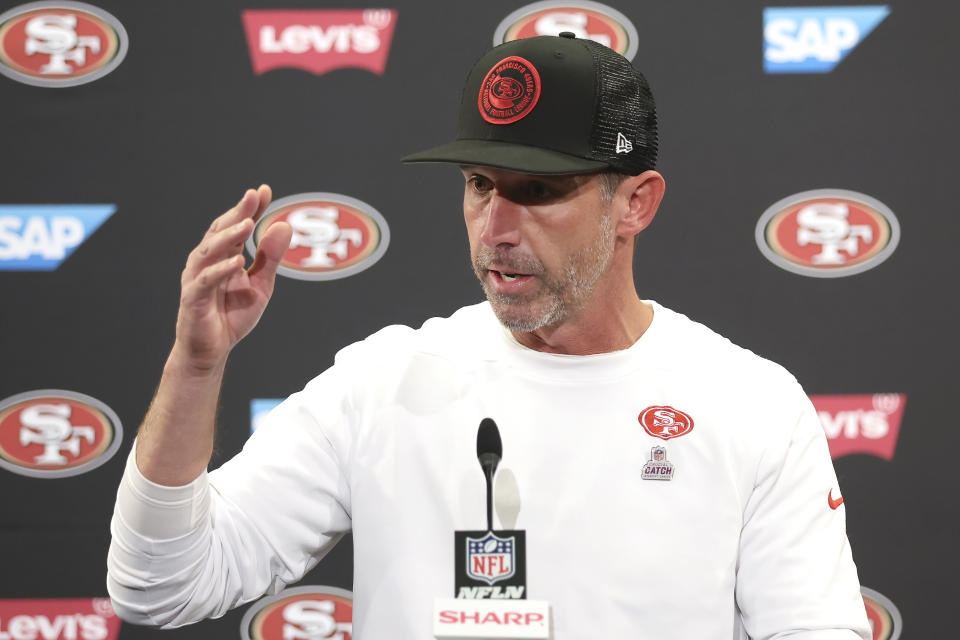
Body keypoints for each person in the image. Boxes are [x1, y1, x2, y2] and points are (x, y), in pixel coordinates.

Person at [107, 34, 871, 639]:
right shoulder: (385, 382)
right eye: (479, 185)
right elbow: (163, 586)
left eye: (538, 193)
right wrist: (197, 366)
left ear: (635, 202)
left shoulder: (750, 404)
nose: (496, 230)